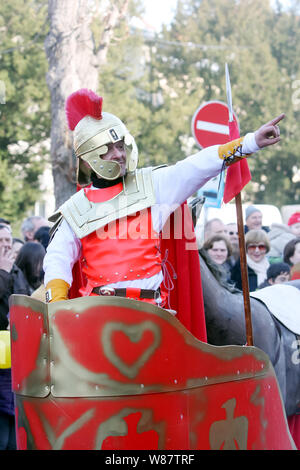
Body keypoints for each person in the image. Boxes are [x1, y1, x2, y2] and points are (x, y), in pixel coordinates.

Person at [43, 88, 284, 338]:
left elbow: (196, 166)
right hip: (98, 324)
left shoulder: (153, 185)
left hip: (153, 321)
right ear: (88, 159)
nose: (119, 154)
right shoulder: (74, 210)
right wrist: (59, 309)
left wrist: (250, 142)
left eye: (120, 145)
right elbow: (57, 261)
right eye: (108, 149)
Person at [0, 224, 31, 450]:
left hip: (15, 355)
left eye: (8, 241)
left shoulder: (16, 270)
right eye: (0, 242)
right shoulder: (5, 269)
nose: (5, 246)